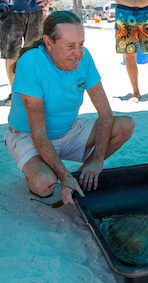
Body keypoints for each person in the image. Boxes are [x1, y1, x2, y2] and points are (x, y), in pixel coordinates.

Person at [5, 11, 135, 205]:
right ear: (49, 43)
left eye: (81, 44)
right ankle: (40, 171)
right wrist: (64, 176)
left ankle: (83, 173)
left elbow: (106, 115)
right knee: (45, 185)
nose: (79, 53)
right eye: (71, 46)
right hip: (28, 135)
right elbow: (39, 134)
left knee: (125, 125)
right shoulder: (31, 63)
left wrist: (96, 161)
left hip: (68, 131)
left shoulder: (84, 58)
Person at [0, 0, 50, 106]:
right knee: (12, 53)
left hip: (35, 9)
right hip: (10, 10)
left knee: (34, 53)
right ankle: (16, 94)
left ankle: (33, 92)